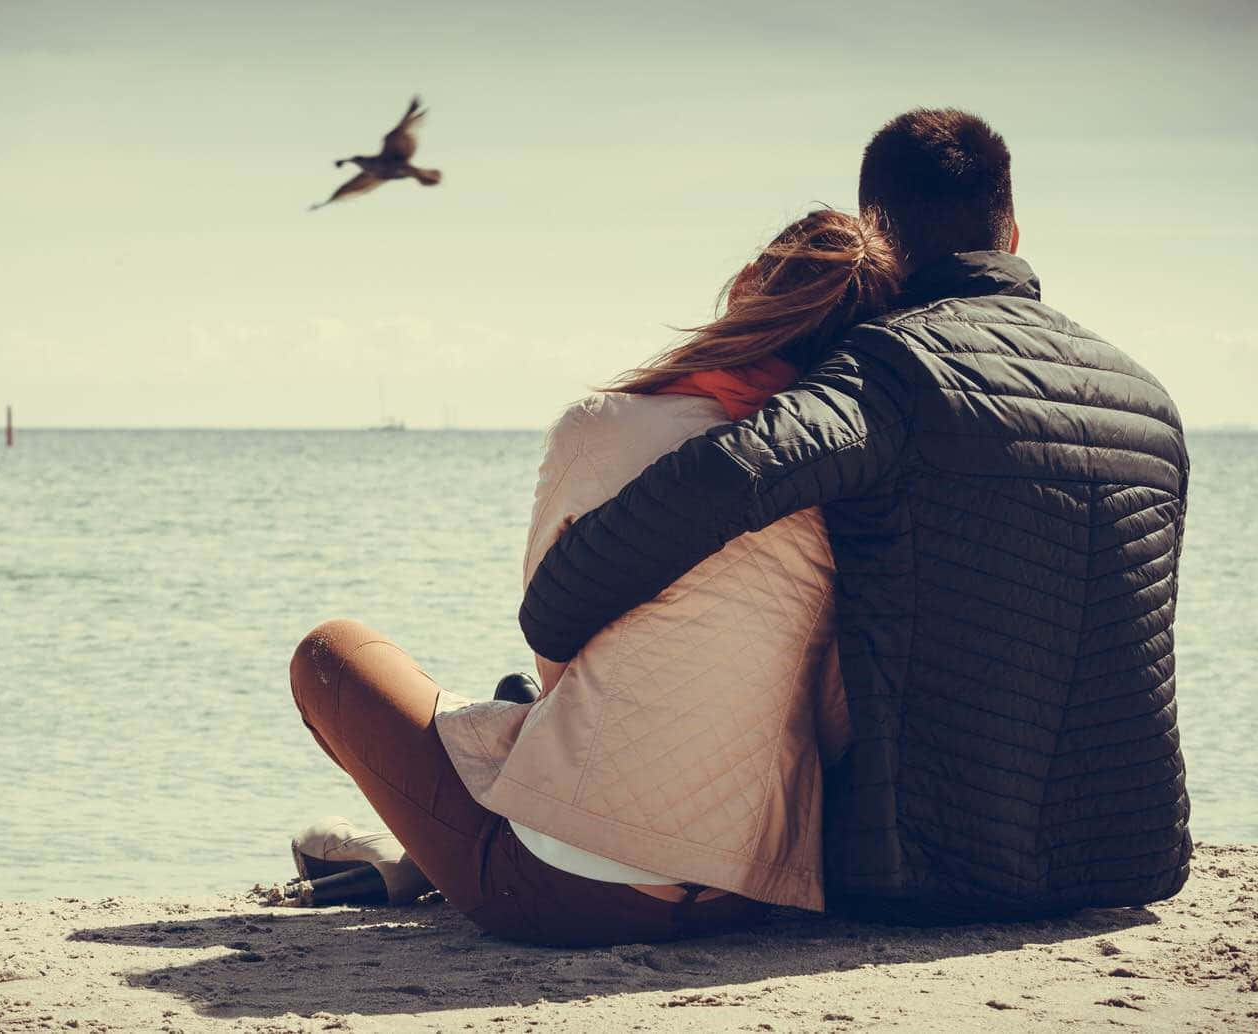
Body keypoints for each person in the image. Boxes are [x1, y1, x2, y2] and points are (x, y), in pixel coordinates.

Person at [519, 109, 1193, 924]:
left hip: (932, 874)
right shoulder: (1151, 401)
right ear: (1012, 232)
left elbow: (733, 472)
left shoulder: (894, 368)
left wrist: (557, 610)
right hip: (1133, 859)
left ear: (880, 245)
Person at [289, 209, 903, 946]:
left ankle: (407, 856)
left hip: (562, 891)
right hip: (752, 889)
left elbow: (558, 657)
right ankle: (415, 854)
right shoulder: (850, 480)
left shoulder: (603, 428)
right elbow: (832, 709)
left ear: (746, 286)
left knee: (332, 655)